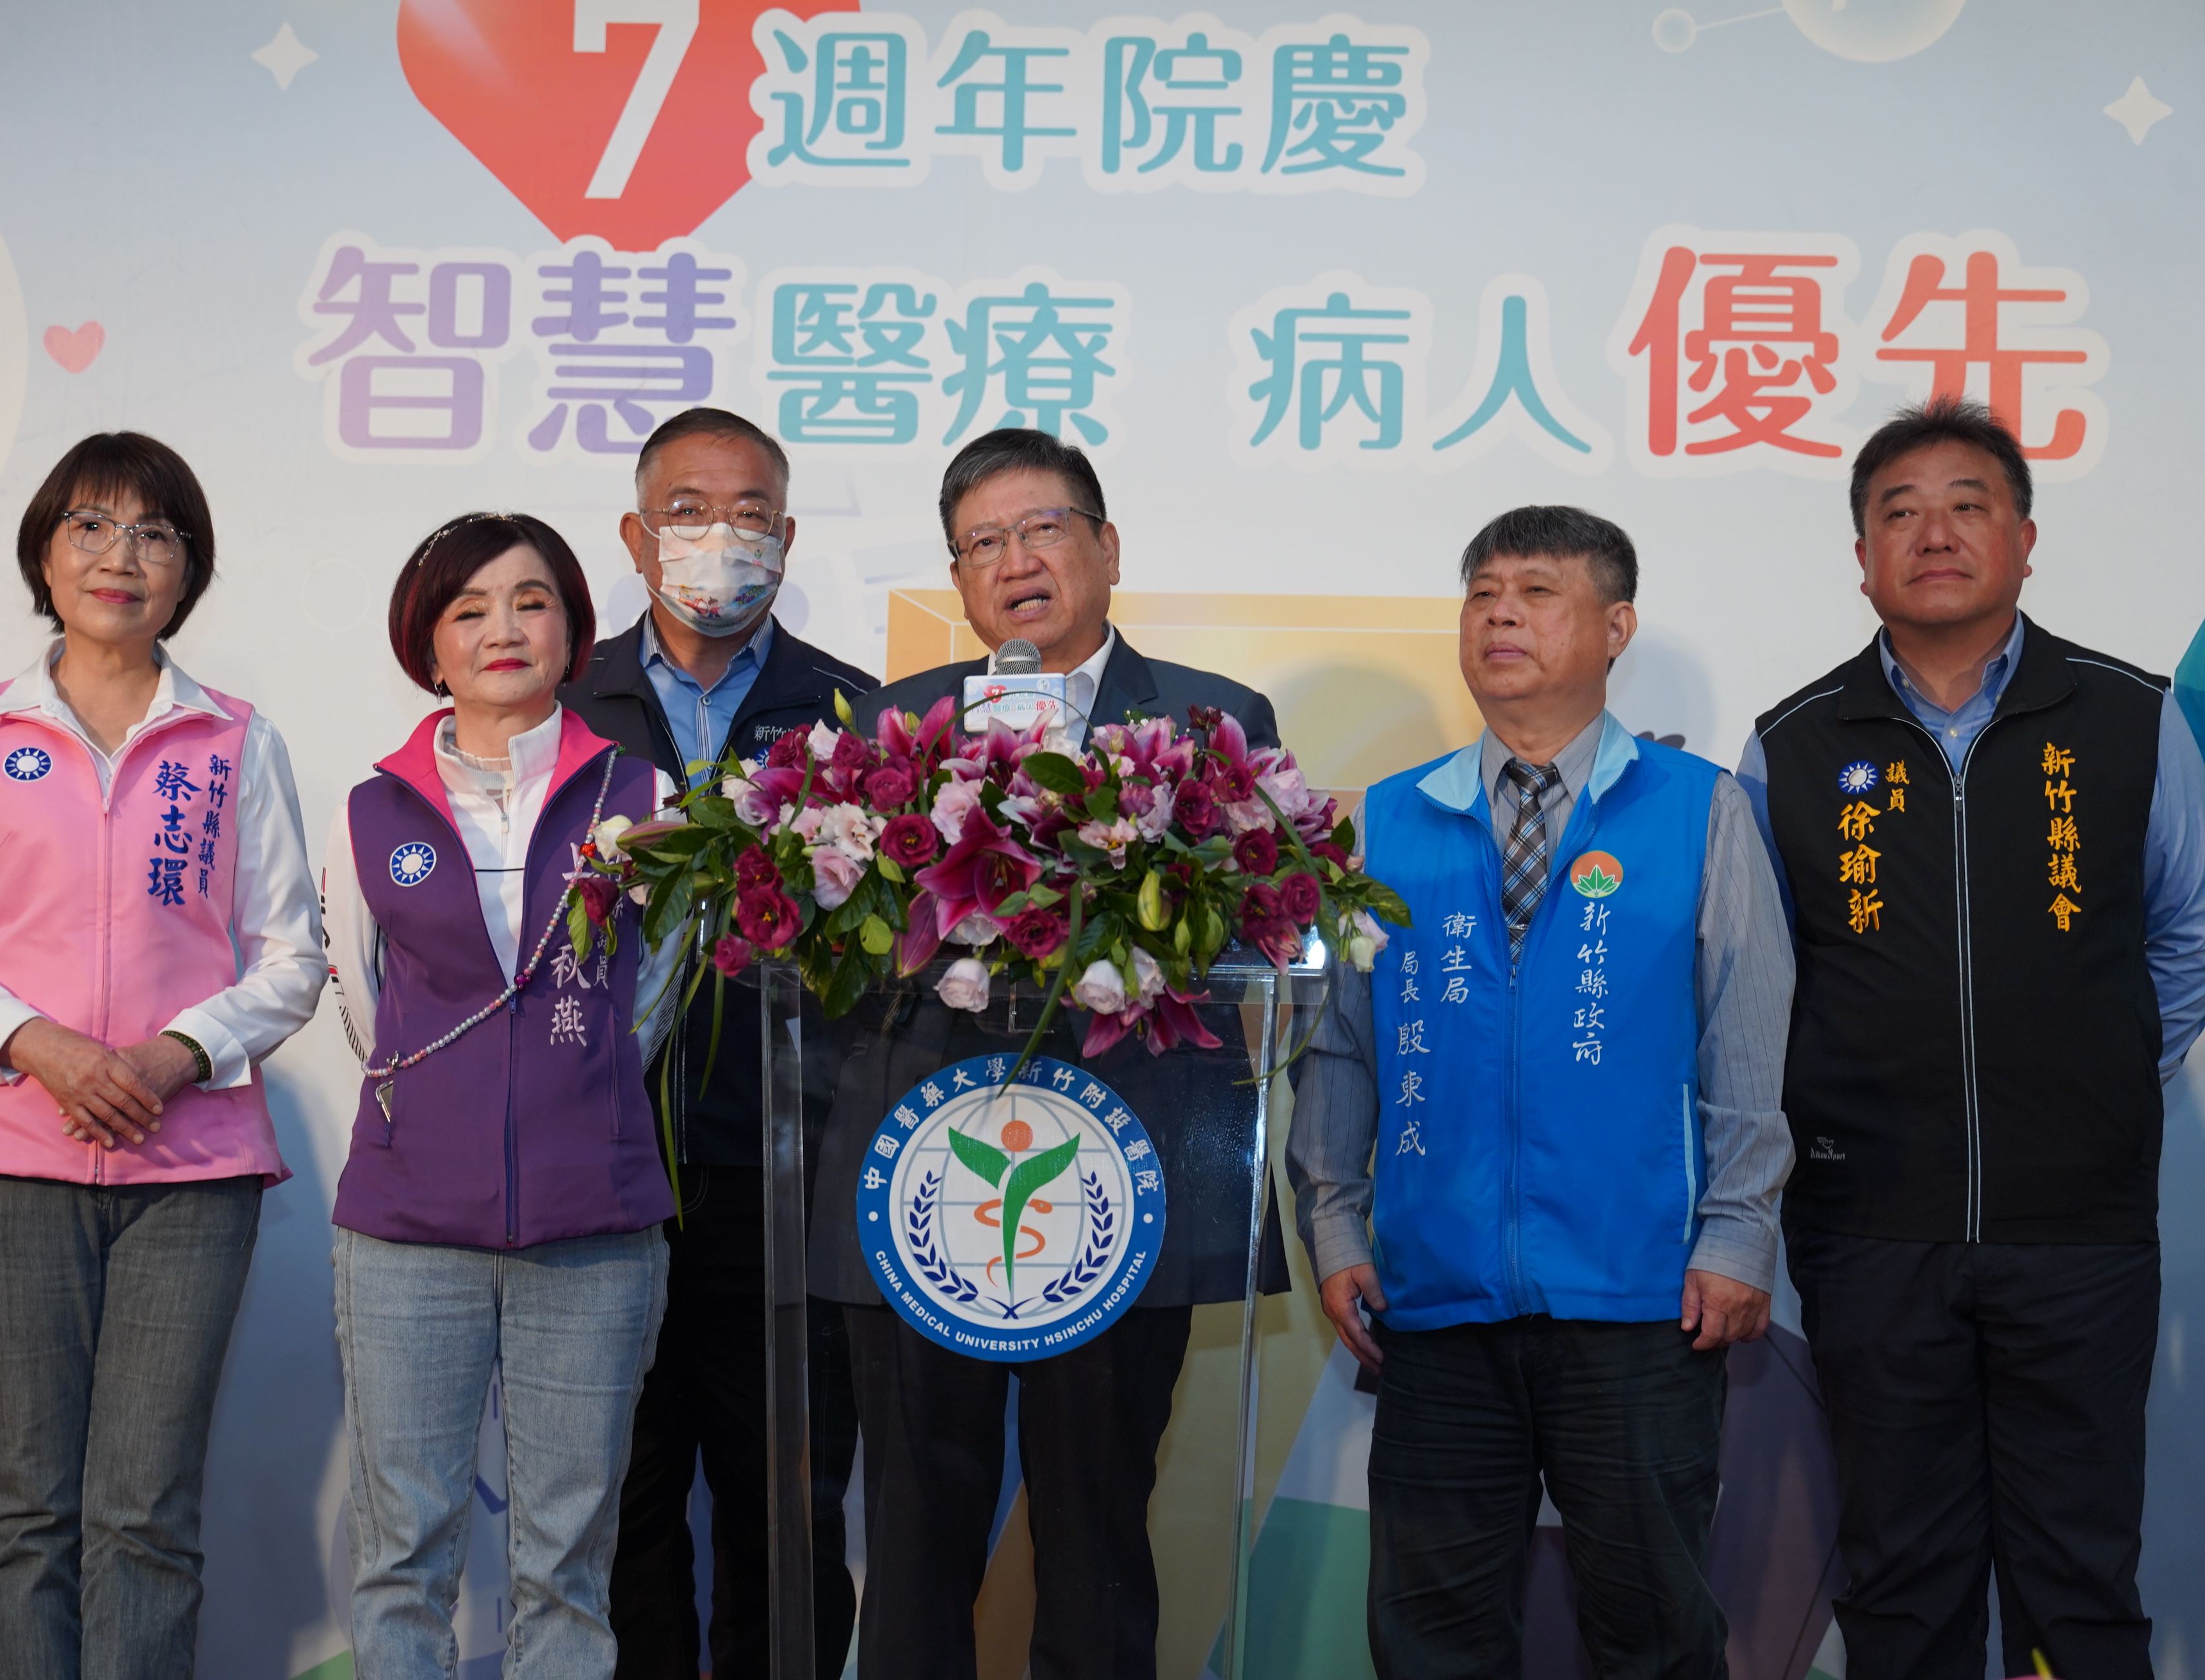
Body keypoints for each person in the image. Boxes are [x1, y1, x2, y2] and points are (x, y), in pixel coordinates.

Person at [806, 426, 1284, 1680]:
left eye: (1043, 528)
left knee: (1097, 1527)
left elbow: (1251, 932)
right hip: (922, 1174)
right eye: (983, 542)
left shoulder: (1212, 721)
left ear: (1107, 547)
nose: (1016, 560)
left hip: (1128, 1168)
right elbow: (832, 951)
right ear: (960, 581)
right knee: (917, 1532)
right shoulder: (896, 727)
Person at [1740, 398, 2205, 1680]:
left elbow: (2186, 932)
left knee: (2079, 1575)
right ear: (1862, 558)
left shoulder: (2130, 718)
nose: (1934, 533)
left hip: (2079, 1232)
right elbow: (1761, 985)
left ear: (2025, 539)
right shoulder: (1791, 744)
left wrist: (2104, 1072)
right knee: (1902, 1575)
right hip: (1871, 1229)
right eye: (1900, 512)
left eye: (1967, 505)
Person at [1287, 505, 1793, 1678]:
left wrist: (1738, 1235)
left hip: (1641, 1298)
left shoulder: (1697, 807)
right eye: (1483, 594)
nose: (1500, 615)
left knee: (1654, 1632)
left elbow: (1747, 1036)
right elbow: (1342, 1047)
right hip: (1437, 1297)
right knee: (1433, 1638)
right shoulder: (1387, 819)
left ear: (1616, 627)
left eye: (1536, 592)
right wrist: (1335, 1222)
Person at [0, 432, 326, 1678]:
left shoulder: (239, 742)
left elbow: (293, 955)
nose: (121, 556)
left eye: (154, 533)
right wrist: (40, 1046)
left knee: (147, 1514)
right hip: (5, 1159)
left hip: (193, 1172)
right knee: (25, 1512)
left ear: (189, 569)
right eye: (91, 526)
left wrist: (183, 1050)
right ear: (44, 553)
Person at [324, 512, 685, 1680]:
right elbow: (365, 1007)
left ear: (572, 630)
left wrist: (570, 1095)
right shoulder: (373, 809)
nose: (503, 629)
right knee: (402, 1553)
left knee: (568, 1559)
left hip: (595, 1225)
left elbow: (654, 994)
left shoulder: (644, 795)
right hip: (407, 1230)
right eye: (469, 608)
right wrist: (447, 1112)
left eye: (532, 602)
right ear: (428, 644)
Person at [558, 408, 874, 1680]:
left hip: (790, 1181)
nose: (719, 539)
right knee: (614, 1514)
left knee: (784, 1514)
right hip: (597, 1178)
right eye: (687, 512)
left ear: (787, 539)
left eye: (750, 514)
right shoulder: (560, 705)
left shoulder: (855, 717)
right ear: (636, 537)